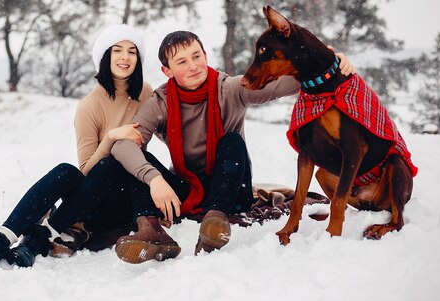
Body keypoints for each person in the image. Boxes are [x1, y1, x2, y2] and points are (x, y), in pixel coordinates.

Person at [111, 30, 355, 264]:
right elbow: (123, 146)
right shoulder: (160, 102)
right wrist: (155, 179)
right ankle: (152, 232)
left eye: (196, 56)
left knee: (232, 142)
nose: (193, 66)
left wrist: (328, 61)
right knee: (136, 160)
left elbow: (285, 84)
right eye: (182, 61)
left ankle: (215, 222)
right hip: (188, 188)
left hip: (232, 189)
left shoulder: (230, 88)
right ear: (168, 71)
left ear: (206, 56)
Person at [0, 24, 155, 277]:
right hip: (92, 200)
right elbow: (86, 171)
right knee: (67, 171)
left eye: (132, 51)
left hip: (125, 200)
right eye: (117, 50)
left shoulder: (146, 93)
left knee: (112, 165)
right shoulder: (89, 106)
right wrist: (110, 137)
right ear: (104, 57)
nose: (125, 57)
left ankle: (40, 236)